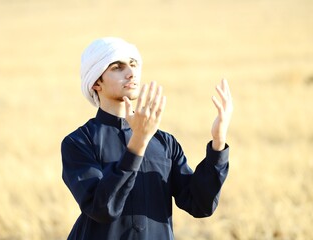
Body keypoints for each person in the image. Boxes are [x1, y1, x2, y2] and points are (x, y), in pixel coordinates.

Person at [61, 37, 233, 240]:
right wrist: (139, 142)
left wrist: (218, 142)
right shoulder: (79, 142)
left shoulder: (165, 143)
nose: (131, 73)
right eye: (117, 67)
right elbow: (102, 208)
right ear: (96, 82)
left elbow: (200, 204)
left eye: (133, 64)